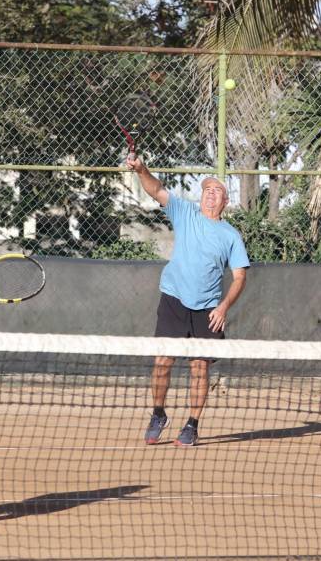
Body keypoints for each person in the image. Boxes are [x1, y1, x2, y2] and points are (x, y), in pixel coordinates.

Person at [127, 155, 249, 447]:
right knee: (162, 362)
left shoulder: (231, 236)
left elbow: (240, 277)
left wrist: (223, 307)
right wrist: (142, 170)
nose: (210, 193)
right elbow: (156, 190)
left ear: (225, 201)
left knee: (200, 367)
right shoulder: (184, 212)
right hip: (174, 299)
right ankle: (158, 414)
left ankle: (192, 425)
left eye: (217, 190)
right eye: (207, 189)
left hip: (208, 310)